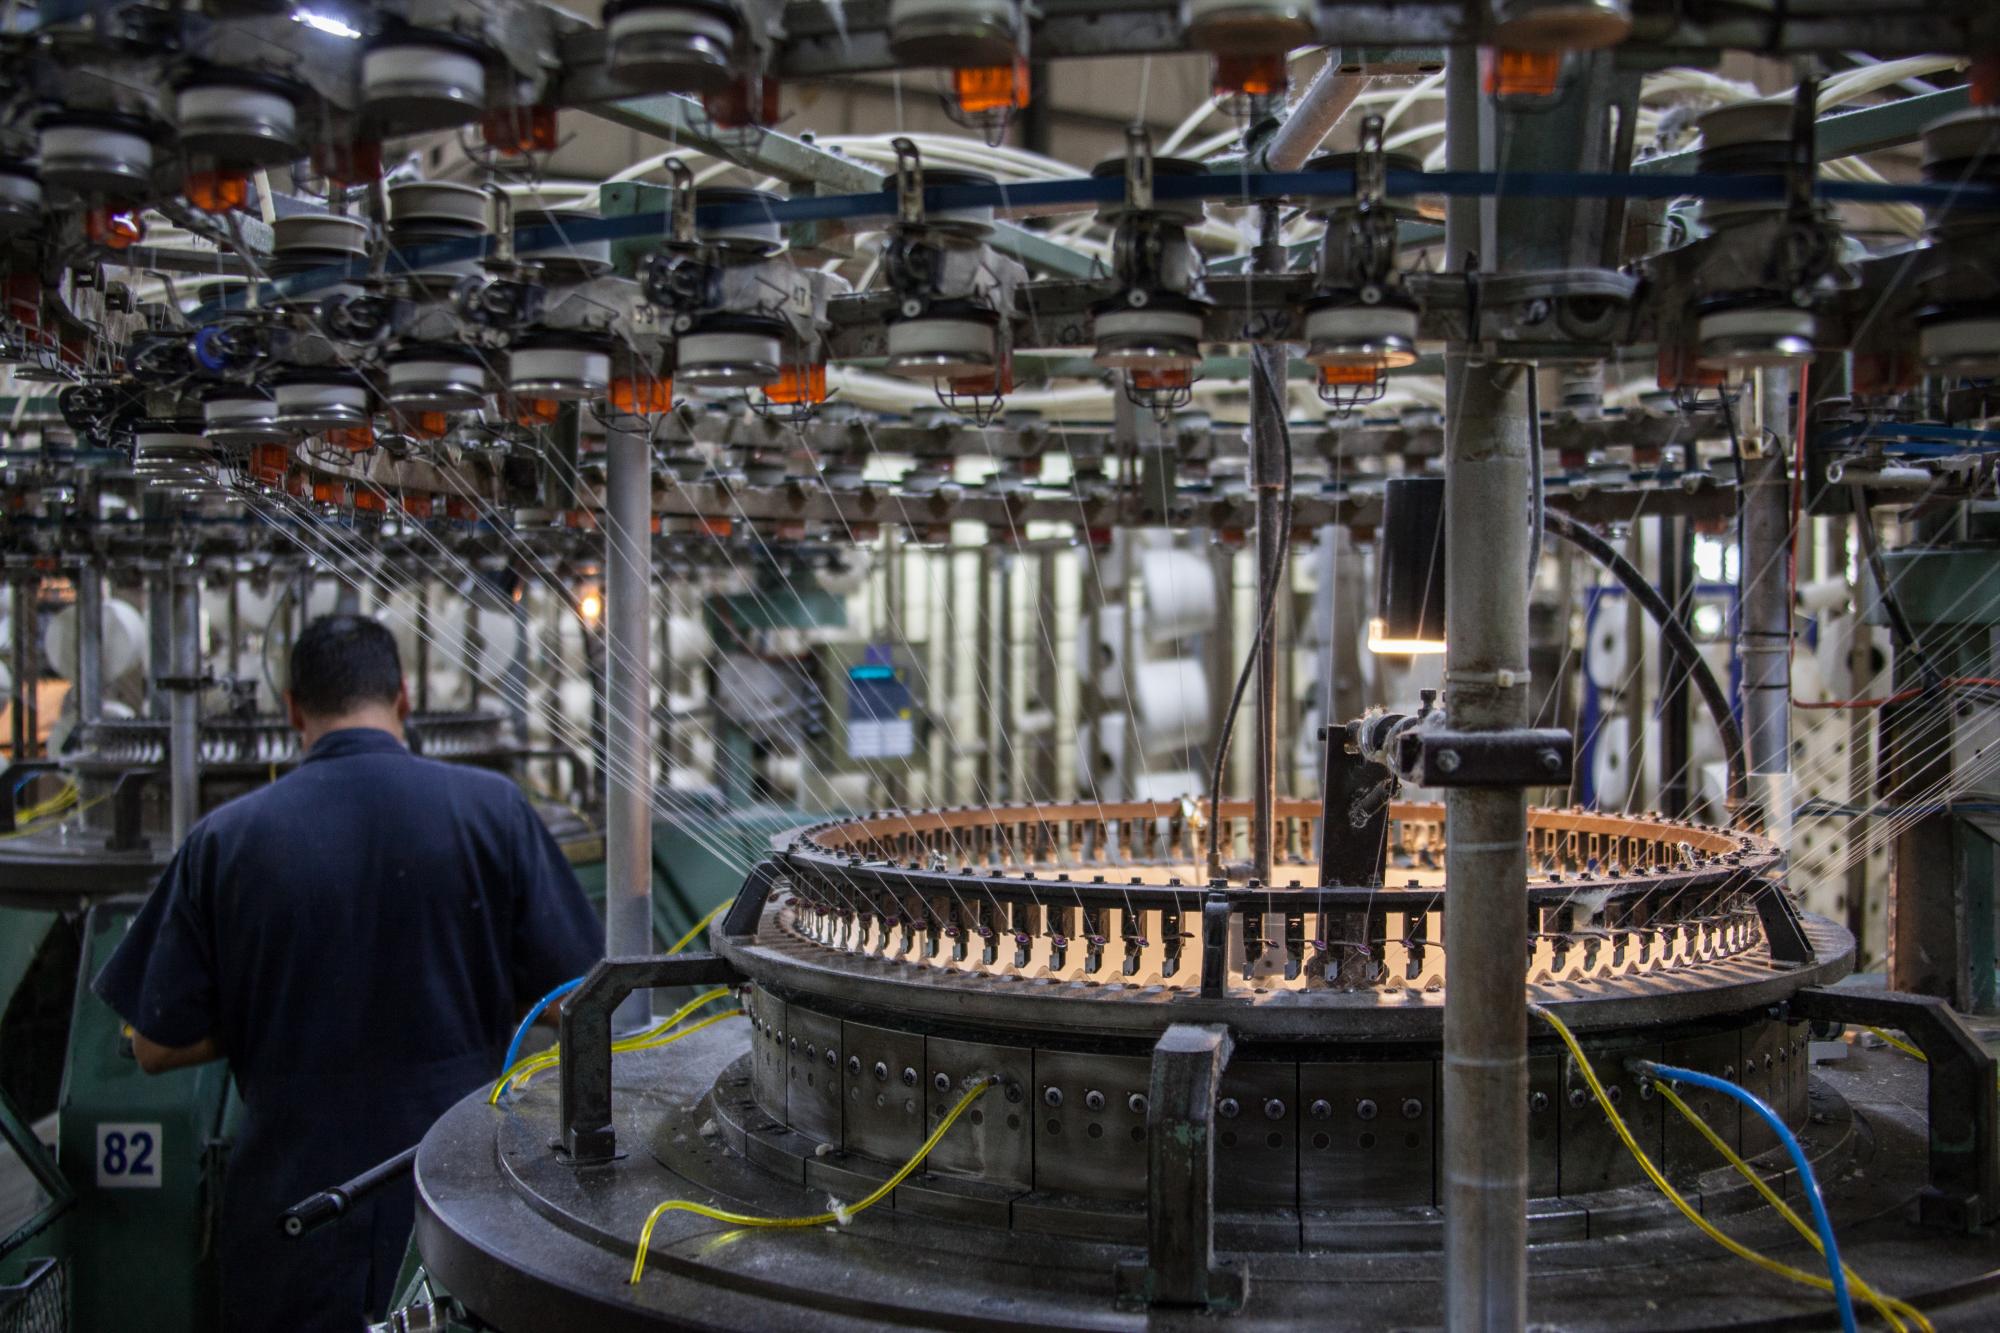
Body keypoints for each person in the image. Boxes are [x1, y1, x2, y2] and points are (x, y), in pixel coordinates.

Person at [95, 613, 602, 1333]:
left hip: (295, 1214)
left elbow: (153, 1045)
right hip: (461, 1207)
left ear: (293, 708)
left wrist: (268, 1009)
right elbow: (581, 1003)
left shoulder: (225, 840)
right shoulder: (494, 812)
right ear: (403, 696)